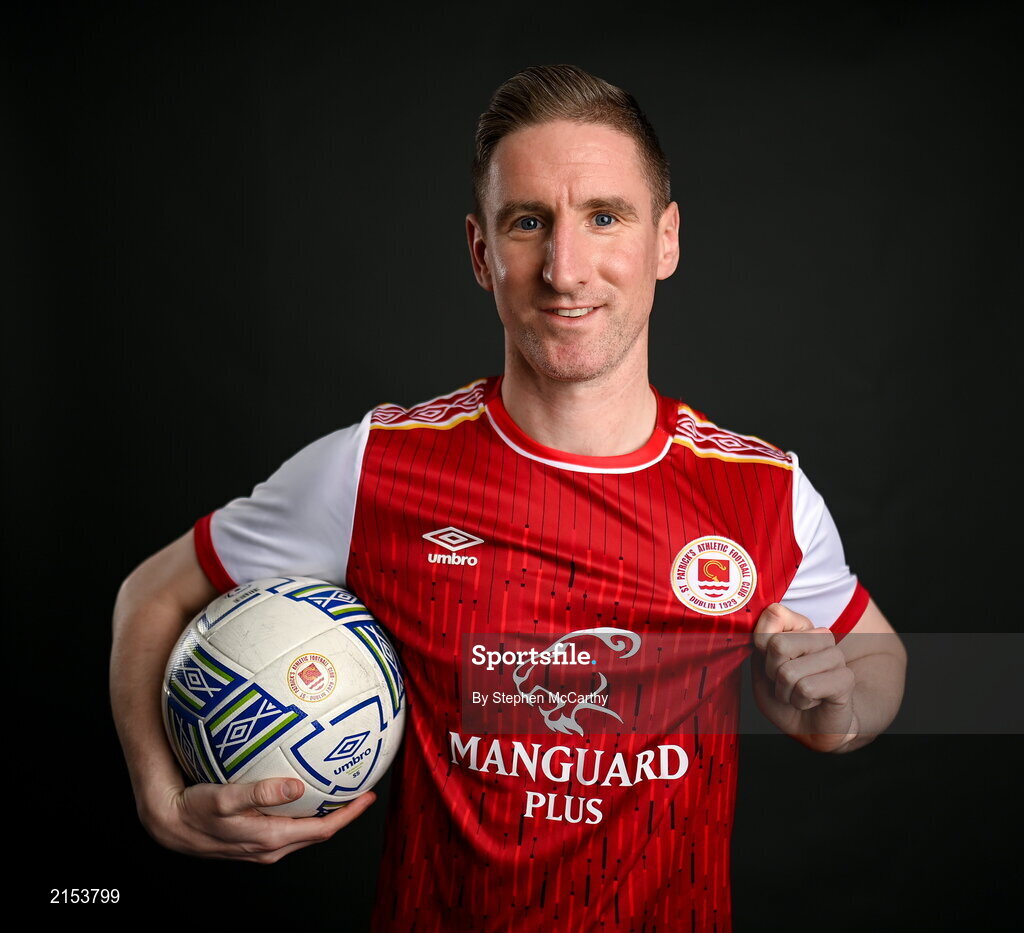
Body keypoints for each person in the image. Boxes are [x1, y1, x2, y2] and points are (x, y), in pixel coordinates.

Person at [111, 64, 906, 931]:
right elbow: (153, 592)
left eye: (605, 217)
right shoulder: (376, 468)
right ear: (481, 252)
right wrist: (158, 796)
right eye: (529, 222)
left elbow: (879, 664)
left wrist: (836, 709)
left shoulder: (762, 492)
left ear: (666, 241)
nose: (566, 270)